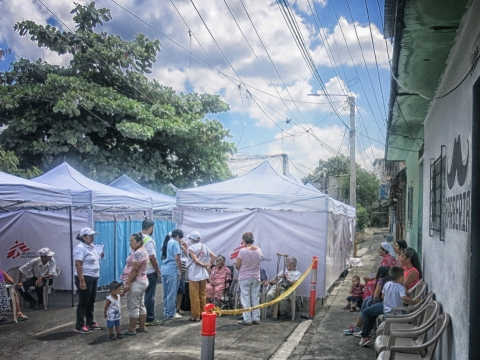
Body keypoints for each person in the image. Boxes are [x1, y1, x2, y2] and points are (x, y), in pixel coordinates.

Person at [357, 266, 420, 347]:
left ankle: (365, 335)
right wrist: (413, 301)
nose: (404, 278)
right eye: (403, 276)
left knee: (367, 311)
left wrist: (389, 299)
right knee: (370, 312)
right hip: (390, 308)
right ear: (400, 278)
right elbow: (405, 297)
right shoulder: (400, 287)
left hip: (388, 308)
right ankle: (366, 335)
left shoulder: (387, 284)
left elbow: (383, 296)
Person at [343, 266, 390, 335]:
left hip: (386, 304)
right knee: (367, 301)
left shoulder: (381, 280)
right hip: (389, 303)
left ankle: (365, 332)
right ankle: (360, 327)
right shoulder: (392, 281)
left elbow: (376, 295)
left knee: (367, 309)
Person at [73, 227, 104, 334]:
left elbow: (93, 261)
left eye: (93, 235)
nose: (92, 237)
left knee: (91, 301)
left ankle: (90, 322)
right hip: (85, 277)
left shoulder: (91, 247)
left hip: (93, 277)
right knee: (83, 302)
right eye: (90, 235)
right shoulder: (80, 248)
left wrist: (101, 256)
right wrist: (82, 280)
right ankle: (79, 325)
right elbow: (78, 264)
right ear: (83, 237)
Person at [120, 233, 149, 335]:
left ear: (139, 242)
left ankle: (131, 329)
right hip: (140, 281)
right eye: (130, 241)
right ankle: (142, 326)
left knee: (133, 305)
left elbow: (135, 269)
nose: (130, 243)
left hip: (136, 282)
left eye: (132, 241)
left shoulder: (139, 252)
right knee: (140, 304)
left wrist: (127, 283)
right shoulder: (138, 251)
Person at [187, 231, 215, 322]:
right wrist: (208, 265)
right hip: (203, 274)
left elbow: (195, 260)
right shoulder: (204, 246)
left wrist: (203, 265)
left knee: (194, 295)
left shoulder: (191, 247)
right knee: (203, 295)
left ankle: (195, 315)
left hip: (194, 273)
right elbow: (213, 256)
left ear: (192, 239)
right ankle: (203, 313)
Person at [235, 232, 262, 325]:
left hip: (245, 276)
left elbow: (237, 265)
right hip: (256, 276)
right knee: (255, 298)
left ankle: (247, 319)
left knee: (245, 298)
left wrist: (241, 269)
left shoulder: (242, 251)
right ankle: (256, 318)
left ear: (244, 241)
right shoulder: (258, 250)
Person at [140, 219, 162, 326]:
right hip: (149, 271)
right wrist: (157, 270)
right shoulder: (148, 240)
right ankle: (149, 317)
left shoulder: (136, 238)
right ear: (151, 228)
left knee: (140, 296)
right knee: (150, 296)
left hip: (139, 271)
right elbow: (152, 257)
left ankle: (139, 317)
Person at [161, 229, 184, 320]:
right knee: (172, 293)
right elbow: (177, 258)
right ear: (178, 236)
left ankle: (166, 311)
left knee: (166, 293)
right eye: (180, 239)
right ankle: (171, 313)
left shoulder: (165, 243)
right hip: (172, 270)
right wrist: (180, 271)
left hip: (164, 269)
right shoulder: (175, 243)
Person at [176, 237, 189, 315]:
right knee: (173, 290)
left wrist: (184, 247)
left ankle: (178, 307)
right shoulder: (172, 245)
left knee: (181, 290)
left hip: (183, 270)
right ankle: (173, 308)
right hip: (175, 270)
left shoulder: (183, 247)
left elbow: (187, 255)